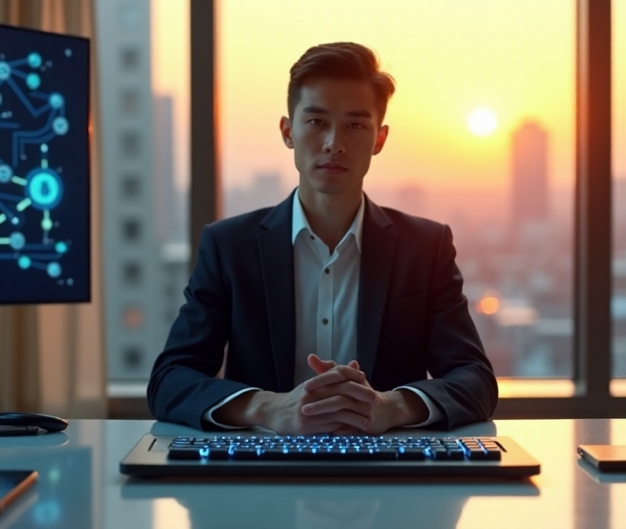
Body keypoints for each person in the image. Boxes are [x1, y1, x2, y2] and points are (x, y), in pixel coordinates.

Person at [148, 42, 497, 435]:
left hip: (391, 471)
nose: (334, 142)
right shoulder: (230, 246)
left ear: (379, 139)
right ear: (288, 131)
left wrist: (390, 407)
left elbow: (475, 380)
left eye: (355, 125)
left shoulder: (425, 247)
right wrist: (268, 409)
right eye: (316, 122)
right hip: (261, 473)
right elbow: (170, 381)